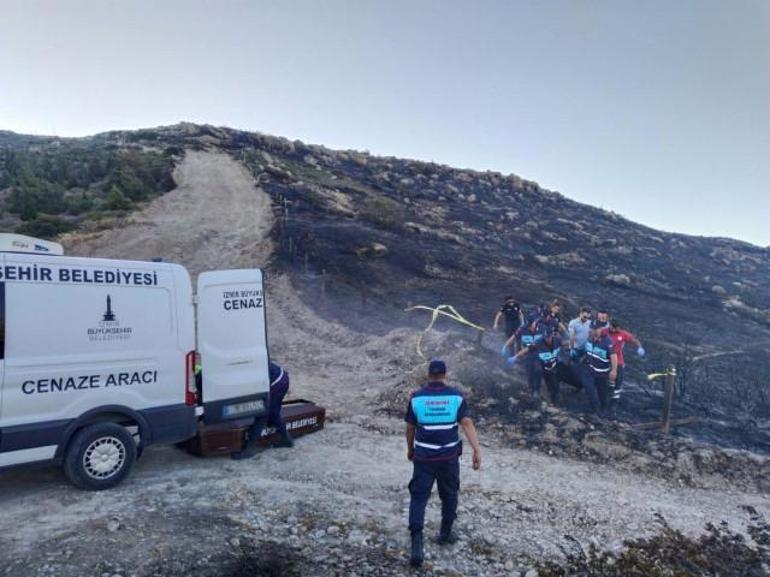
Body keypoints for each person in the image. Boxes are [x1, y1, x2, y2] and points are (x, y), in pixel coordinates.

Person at [405, 360, 481, 568]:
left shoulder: (416, 398)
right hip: (448, 458)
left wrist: (410, 449)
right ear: (445, 375)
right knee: (449, 494)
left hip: (423, 458)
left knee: (419, 497)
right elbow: (466, 423)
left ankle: (416, 545)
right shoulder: (456, 397)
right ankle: (445, 533)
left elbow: (410, 427)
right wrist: (476, 449)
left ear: (428, 375)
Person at [231, 360, 293, 460]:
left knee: (262, 414)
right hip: (281, 378)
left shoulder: (245, 369)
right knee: (273, 413)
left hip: (277, 382)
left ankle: (250, 449)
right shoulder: (246, 363)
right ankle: (286, 439)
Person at [508, 325, 563, 404]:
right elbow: (527, 349)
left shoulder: (557, 340)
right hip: (542, 362)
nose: (546, 339)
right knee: (538, 371)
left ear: (552, 335)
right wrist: (515, 357)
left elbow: (562, 346)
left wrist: (559, 355)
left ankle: (555, 398)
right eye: (545, 337)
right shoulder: (539, 342)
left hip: (552, 363)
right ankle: (536, 392)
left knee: (553, 382)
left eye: (548, 337)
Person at [604, 319, 645, 414]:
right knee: (606, 382)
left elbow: (634, 340)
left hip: (618, 361)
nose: (613, 330)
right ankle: (604, 401)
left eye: (615, 328)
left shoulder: (623, 334)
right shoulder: (605, 331)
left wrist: (639, 347)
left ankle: (613, 405)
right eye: (611, 327)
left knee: (618, 383)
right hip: (605, 360)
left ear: (618, 328)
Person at [581, 320, 618, 415]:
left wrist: (614, 370)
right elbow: (587, 351)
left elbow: (614, 357)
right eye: (591, 328)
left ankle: (604, 410)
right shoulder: (589, 339)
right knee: (590, 390)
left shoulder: (607, 342)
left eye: (594, 329)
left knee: (603, 394)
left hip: (602, 373)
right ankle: (595, 410)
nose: (592, 331)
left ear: (600, 329)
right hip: (590, 370)